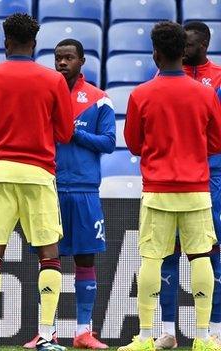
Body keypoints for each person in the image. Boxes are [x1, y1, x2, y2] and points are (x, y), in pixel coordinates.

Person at [0, 13, 73, 351]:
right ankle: (46, 334)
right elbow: (65, 132)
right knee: (49, 253)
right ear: (35, 44)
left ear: (6, 42)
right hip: (39, 174)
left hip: (0, 172)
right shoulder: (53, 80)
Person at [120, 21, 221, 351]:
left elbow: (134, 144)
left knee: (152, 260)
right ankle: (205, 338)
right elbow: (216, 142)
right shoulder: (206, 93)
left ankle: (147, 336)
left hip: (158, 191)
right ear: (183, 51)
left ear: (156, 54)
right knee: (201, 258)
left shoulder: (141, 94)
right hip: (196, 190)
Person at [23, 39, 115, 350]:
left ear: (82, 60)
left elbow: (108, 142)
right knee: (48, 260)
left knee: (85, 259)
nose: (63, 63)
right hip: (49, 187)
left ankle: (83, 332)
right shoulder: (43, 95)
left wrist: (73, 131)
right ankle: (46, 331)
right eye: (58, 58)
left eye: (69, 58)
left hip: (85, 190)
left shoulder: (99, 100)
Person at [156, 21, 221, 349]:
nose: (183, 51)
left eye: (190, 45)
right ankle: (167, 329)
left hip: (211, 176)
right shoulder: (162, 78)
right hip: (173, 177)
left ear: (205, 43)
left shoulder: (220, 78)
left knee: (211, 252)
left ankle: (212, 329)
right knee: (167, 252)